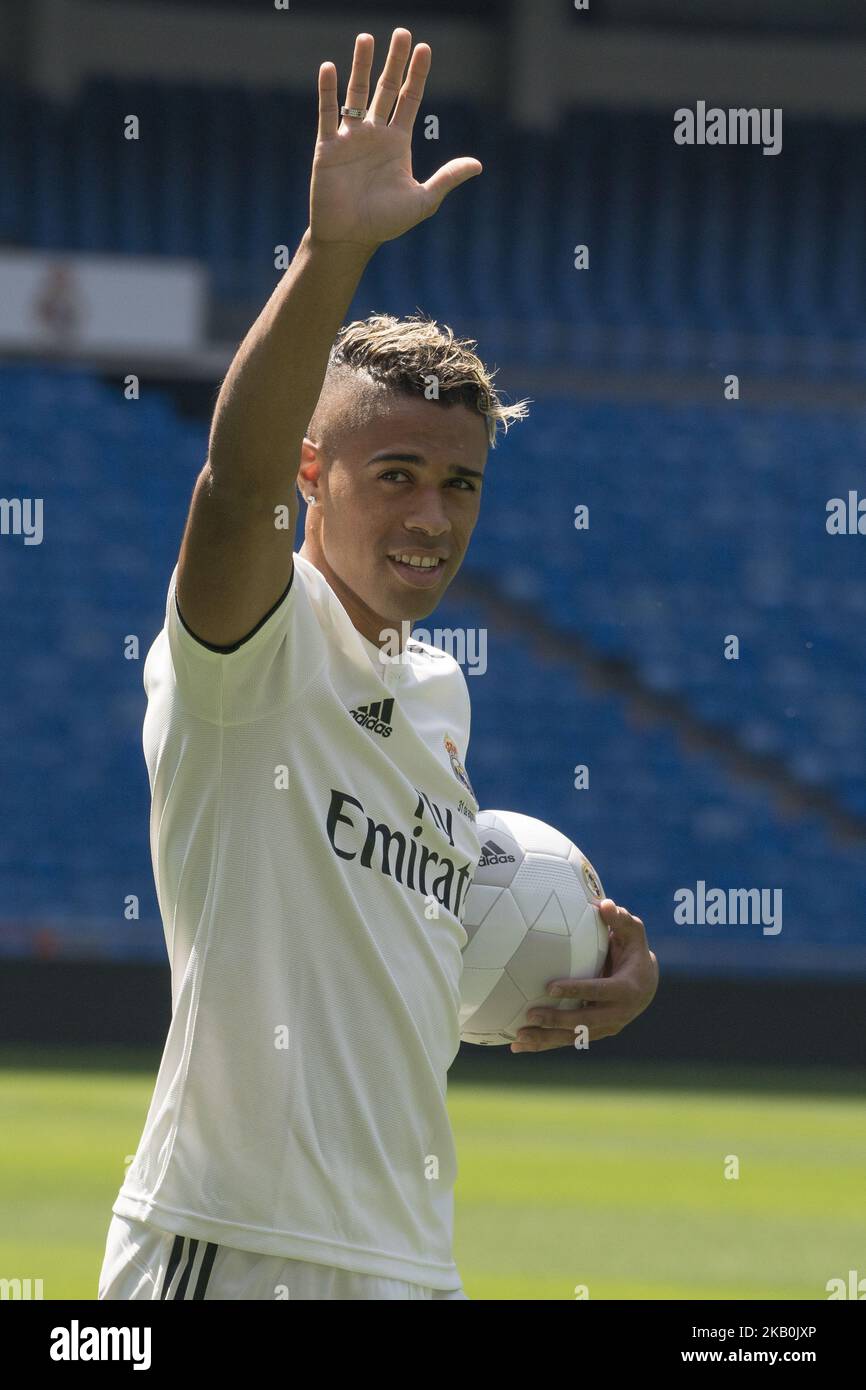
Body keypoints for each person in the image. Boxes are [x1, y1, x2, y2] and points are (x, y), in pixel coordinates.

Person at [98, 27, 658, 1302]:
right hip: (228, 1247)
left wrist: (590, 975)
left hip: (408, 1262)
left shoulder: (439, 700)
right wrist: (334, 250)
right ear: (316, 475)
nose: (430, 515)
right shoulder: (257, 643)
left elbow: (423, 963)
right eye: (392, 474)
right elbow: (231, 490)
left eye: (458, 483)